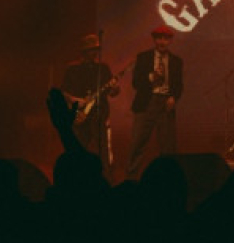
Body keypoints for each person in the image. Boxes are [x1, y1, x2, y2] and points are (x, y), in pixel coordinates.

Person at [126, 25, 183, 180]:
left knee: (167, 145)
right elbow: (136, 83)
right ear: (154, 39)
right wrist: (152, 77)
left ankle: (168, 179)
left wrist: (173, 97)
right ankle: (131, 178)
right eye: (159, 38)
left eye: (165, 38)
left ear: (170, 41)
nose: (162, 42)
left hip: (165, 104)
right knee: (138, 142)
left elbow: (179, 85)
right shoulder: (143, 57)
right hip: (147, 103)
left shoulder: (176, 61)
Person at [62, 34, 119, 181]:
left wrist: (114, 89)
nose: (94, 53)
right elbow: (63, 92)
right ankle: (76, 179)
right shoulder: (72, 69)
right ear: (84, 51)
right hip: (79, 114)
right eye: (91, 49)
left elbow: (112, 92)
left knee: (103, 150)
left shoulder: (103, 68)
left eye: (96, 49)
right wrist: (76, 100)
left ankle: (105, 179)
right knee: (78, 148)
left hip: (99, 114)